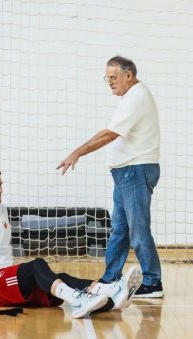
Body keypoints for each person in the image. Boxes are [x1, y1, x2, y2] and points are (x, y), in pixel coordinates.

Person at [0, 164, 143, 319]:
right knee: (37, 265)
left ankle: (111, 294)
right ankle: (79, 300)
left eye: (1, 184)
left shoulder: (1, 210)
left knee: (59, 279)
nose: (0, 190)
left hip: (7, 278)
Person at [57, 56, 163, 298]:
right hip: (126, 172)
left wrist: (77, 153)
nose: (110, 82)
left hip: (135, 171)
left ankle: (153, 282)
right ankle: (111, 277)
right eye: (107, 78)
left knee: (138, 230)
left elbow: (109, 134)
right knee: (119, 229)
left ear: (129, 75)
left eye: (113, 78)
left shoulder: (137, 97)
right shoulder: (131, 97)